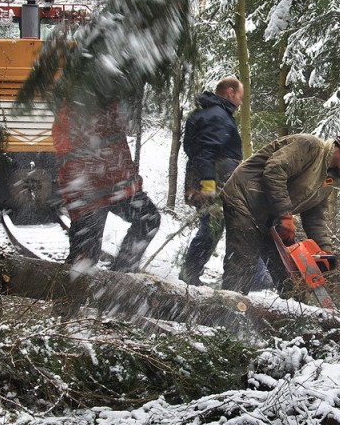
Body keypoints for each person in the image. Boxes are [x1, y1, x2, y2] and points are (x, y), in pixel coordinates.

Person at [220, 130, 340, 294]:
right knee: (243, 260)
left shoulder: (330, 178)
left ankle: (288, 314)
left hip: (271, 214)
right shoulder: (309, 146)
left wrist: (325, 250)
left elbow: (315, 217)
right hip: (245, 197)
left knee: (290, 273)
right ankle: (226, 310)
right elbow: (275, 171)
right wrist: (285, 214)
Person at [52, 101, 160, 273]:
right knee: (85, 257)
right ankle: (74, 293)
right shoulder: (81, 105)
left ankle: (121, 278)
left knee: (148, 218)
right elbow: (73, 148)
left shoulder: (106, 101)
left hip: (114, 183)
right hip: (90, 187)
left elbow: (116, 144)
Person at [180, 77, 244, 286]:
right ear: (230, 92)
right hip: (211, 180)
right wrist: (208, 183)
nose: (241, 103)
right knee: (211, 227)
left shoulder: (213, 113)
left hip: (213, 178)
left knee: (213, 226)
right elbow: (205, 151)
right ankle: (190, 275)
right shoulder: (217, 115)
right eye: (240, 97)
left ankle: (191, 273)